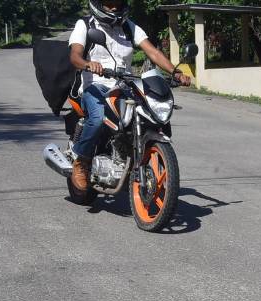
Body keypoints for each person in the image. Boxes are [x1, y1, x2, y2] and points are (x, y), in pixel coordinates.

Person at [68, 0, 191, 192]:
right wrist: (88, 64)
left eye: (118, 3)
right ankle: (81, 161)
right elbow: (75, 55)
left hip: (124, 85)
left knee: (148, 114)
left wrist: (175, 72)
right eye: (110, 4)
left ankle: (134, 155)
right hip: (95, 86)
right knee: (98, 118)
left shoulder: (129, 26)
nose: (115, 8)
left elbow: (153, 52)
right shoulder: (85, 25)